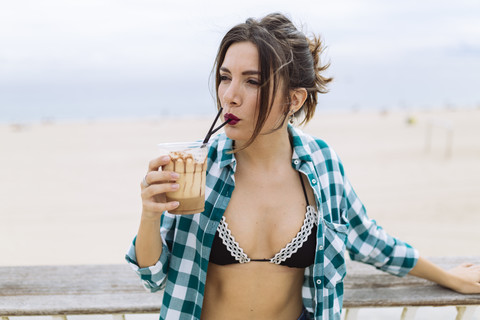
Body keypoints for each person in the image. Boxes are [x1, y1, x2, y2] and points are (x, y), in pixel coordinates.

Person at [126, 13, 480, 320]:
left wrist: (447, 276)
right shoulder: (198, 167)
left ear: (292, 99)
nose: (229, 95)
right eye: (224, 76)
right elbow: (152, 275)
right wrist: (149, 214)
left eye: (252, 81)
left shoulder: (322, 165)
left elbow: (367, 238)